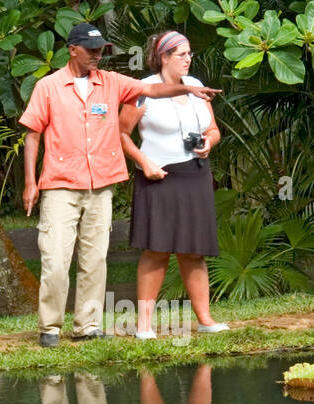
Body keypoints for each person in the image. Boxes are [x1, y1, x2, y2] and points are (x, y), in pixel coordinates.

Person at [20, 21, 220, 348]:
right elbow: (32, 134)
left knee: (95, 259)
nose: (97, 56)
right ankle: (51, 327)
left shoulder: (111, 82)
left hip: (101, 182)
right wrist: (31, 181)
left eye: (101, 50)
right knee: (56, 259)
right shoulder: (49, 87)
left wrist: (188, 89)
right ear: (72, 50)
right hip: (60, 184)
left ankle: (87, 326)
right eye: (91, 50)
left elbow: (152, 91)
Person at [119, 31, 227, 339]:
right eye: (181, 54)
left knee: (194, 251)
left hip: (195, 173)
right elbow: (121, 133)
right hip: (159, 176)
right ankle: (144, 325)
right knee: (157, 250)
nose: (188, 59)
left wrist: (209, 142)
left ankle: (205, 319)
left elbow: (213, 128)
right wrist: (145, 163)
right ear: (163, 57)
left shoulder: (195, 86)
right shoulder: (144, 90)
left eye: (190, 53)